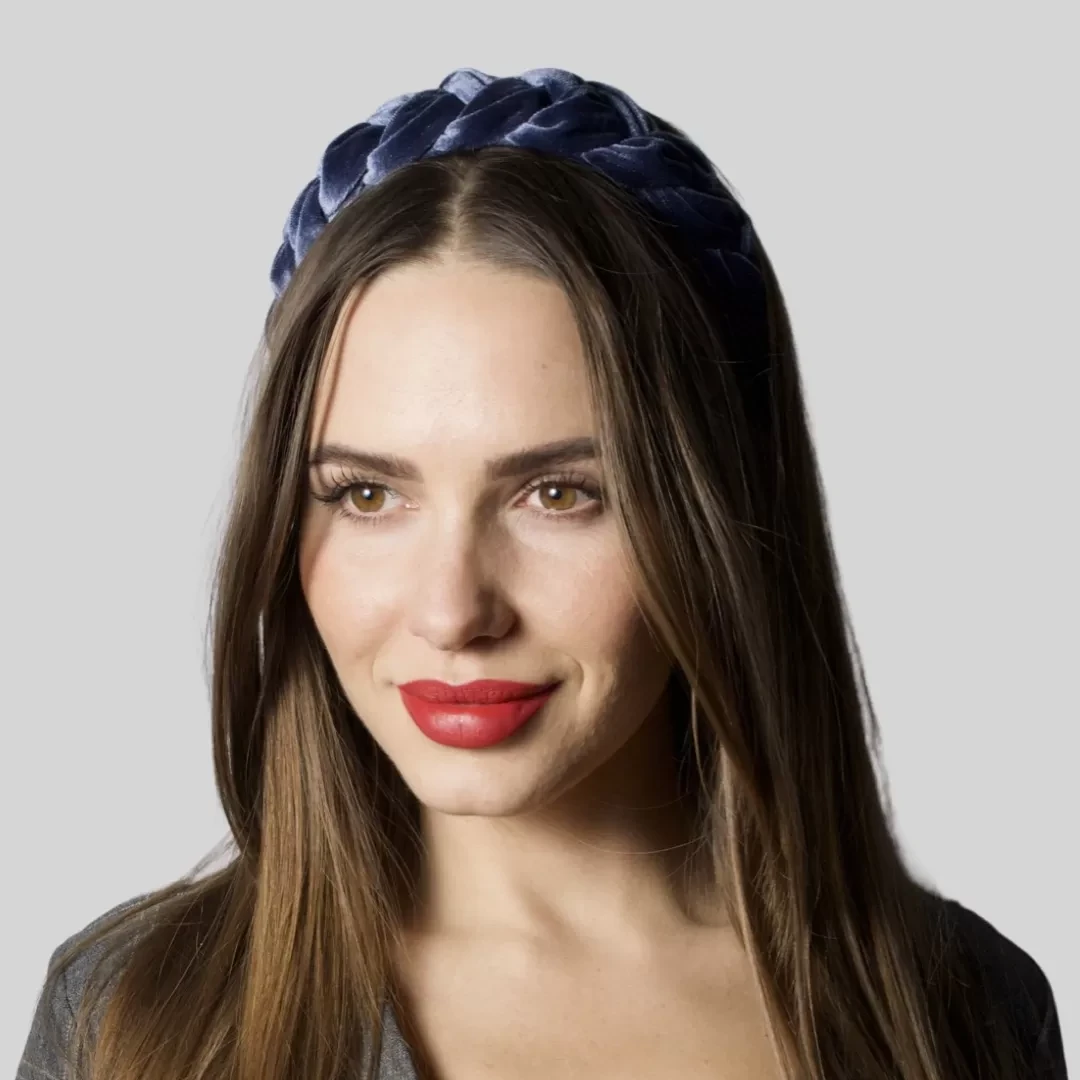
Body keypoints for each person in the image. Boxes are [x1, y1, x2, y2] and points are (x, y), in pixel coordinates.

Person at [17, 67, 1067, 1080]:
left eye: (559, 494)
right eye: (367, 494)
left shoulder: (960, 1010)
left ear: (714, 510)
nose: (452, 611)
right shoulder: (132, 1019)